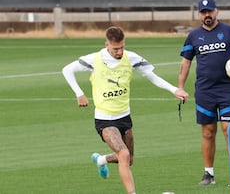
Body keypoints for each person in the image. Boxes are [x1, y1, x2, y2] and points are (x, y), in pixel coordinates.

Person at [62, 26, 188, 194]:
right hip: (105, 119)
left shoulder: (132, 58)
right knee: (123, 154)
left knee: (129, 160)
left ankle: (102, 159)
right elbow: (67, 70)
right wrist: (79, 93)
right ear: (107, 44)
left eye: (122, 47)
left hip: (125, 117)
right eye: (115, 48)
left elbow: (152, 76)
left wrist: (174, 90)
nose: (119, 51)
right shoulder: (94, 59)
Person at [177, 0, 230, 185]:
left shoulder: (229, 31)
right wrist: (180, 87)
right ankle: (208, 174)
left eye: (210, 12)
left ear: (216, 12)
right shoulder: (193, 36)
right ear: (199, 15)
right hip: (204, 91)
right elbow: (185, 63)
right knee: (208, 132)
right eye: (203, 12)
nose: (207, 15)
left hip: (227, 89)